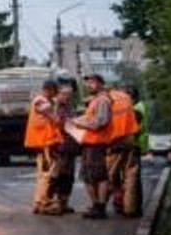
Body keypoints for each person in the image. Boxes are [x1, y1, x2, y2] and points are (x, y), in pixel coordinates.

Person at [71, 73, 114, 219]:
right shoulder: (96, 100)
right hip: (91, 143)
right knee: (90, 176)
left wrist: (79, 123)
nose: (89, 85)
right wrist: (78, 119)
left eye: (92, 83)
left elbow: (100, 122)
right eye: (88, 83)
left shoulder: (102, 100)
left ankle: (99, 207)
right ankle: (97, 206)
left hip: (96, 143)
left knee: (97, 176)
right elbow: (92, 118)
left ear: (100, 83)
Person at [24, 80, 64, 215]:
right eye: (56, 91)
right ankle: (44, 203)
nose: (57, 94)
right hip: (47, 143)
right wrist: (57, 105)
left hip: (43, 142)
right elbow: (56, 119)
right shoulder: (42, 101)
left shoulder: (39, 100)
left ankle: (39, 202)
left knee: (43, 174)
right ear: (50, 90)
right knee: (48, 174)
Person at [106, 83, 142, 217]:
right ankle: (129, 208)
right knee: (130, 177)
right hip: (130, 143)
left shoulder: (115, 106)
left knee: (110, 175)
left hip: (114, 144)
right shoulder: (135, 110)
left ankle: (101, 204)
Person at [52, 82, 80, 214]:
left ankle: (64, 202)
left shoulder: (70, 108)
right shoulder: (53, 108)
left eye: (69, 94)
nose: (67, 97)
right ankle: (56, 202)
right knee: (58, 175)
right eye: (64, 94)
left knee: (69, 176)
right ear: (58, 94)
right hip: (58, 146)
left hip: (70, 146)